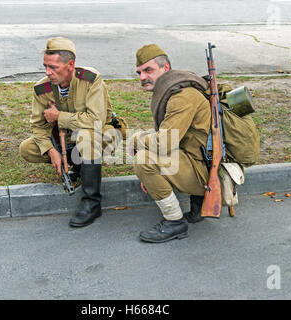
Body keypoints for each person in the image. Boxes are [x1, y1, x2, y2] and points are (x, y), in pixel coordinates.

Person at [19, 37, 119, 228]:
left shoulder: (90, 79)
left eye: (53, 67)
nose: (48, 72)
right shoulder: (42, 88)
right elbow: (38, 127)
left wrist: (59, 116)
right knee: (28, 148)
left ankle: (92, 202)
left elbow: (95, 120)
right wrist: (51, 150)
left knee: (86, 136)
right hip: (67, 141)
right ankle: (78, 165)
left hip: (101, 135)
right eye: (45, 66)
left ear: (70, 65)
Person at [131, 44, 211, 243]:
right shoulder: (173, 88)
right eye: (139, 72)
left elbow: (164, 144)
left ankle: (174, 222)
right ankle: (198, 205)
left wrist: (136, 141)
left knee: (143, 159)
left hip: (206, 173)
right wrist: (149, 176)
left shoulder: (181, 97)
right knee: (147, 155)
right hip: (199, 160)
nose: (142, 77)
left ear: (165, 68)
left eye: (148, 70)